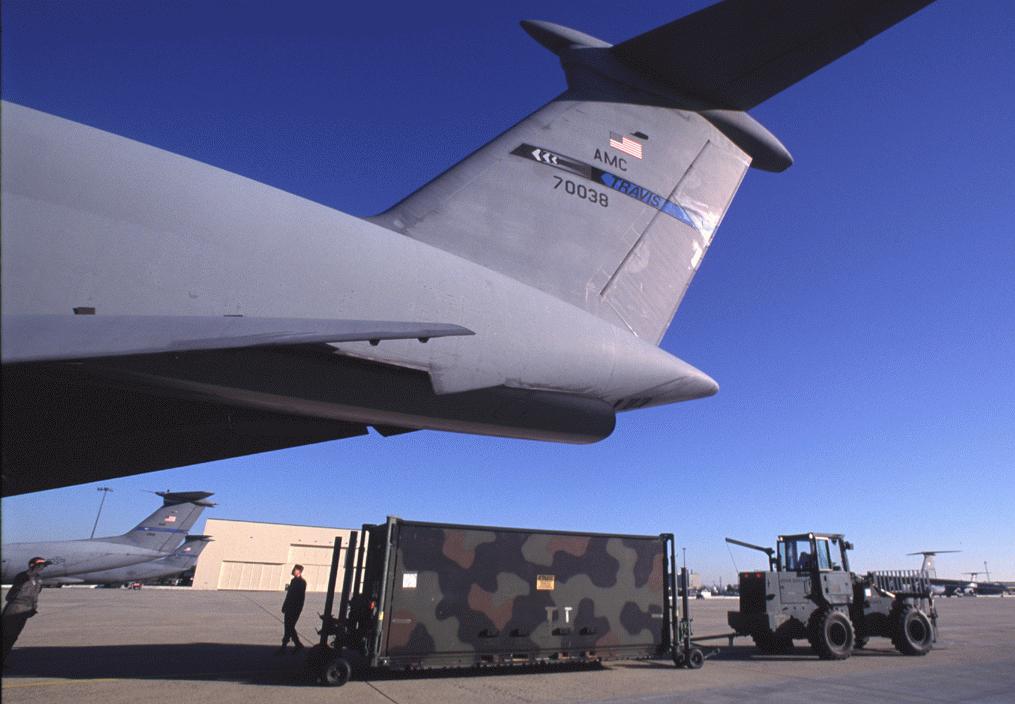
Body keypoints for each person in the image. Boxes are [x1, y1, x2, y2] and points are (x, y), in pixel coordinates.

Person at [3, 556, 50, 665]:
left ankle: (3, 659)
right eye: (40, 565)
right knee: (5, 635)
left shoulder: (38, 579)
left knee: (13, 636)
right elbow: (15, 590)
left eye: (43, 566)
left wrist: (33, 607)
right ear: (32, 565)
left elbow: (35, 595)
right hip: (15, 607)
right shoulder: (23, 576)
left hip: (26, 609)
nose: (42, 568)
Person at [277, 564, 307, 653]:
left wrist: (295, 607)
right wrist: (285, 605)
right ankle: (297, 644)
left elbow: (298, 596)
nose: (293, 570)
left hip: (295, 607)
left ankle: (284, 646)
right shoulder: (294, 581)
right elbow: (289, 595)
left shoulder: (301, 582)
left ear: (299, 571)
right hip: (290, 606)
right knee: (289, 626)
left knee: (289, 626)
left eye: (295, 569)